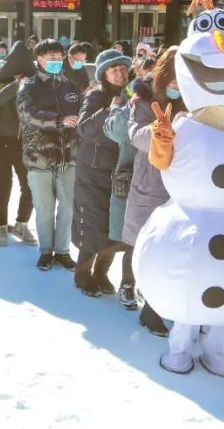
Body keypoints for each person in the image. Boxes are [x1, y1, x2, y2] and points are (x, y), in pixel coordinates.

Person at [122, 47, 185, 335]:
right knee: (143, 243)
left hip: (184, 183)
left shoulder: (197, 99)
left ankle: (161, 305)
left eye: (181, 79)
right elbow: (136, 136)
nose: (176, 85)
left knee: (174, 247)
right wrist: (160, 130)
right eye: (171, 78)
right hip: (152, 181)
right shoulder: (143, 98)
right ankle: (137, 294)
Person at [72, 49, 133, 297]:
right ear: (103, 74)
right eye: (114, 69)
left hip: (120, 169)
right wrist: (109, 109)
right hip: (93, 170)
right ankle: (82, 273)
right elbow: (84, 130)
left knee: (114, 225)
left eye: (122, 69)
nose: (120, 74)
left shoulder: (134, 94)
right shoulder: (96, 96)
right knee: (93, 223)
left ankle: (102, 272)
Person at [17, 39, 82, 271]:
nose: (55, 61)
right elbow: (27, 114)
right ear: (39, 60)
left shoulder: (71, 86)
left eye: (58, 57)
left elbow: (81, 113)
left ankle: (63, 250)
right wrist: (58, 121)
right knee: (44, 207)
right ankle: (46, 250)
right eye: (50, 57)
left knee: (67, 207)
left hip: (68, 156)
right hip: (39, 156)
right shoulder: (29, 86)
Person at [0, 41, 38, 247]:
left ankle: (22, 223)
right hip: (0, 139)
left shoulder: (37, 81)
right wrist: (18, 84)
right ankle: (0, 225)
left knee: (30, 185)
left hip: (27, 141)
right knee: (2, 184)